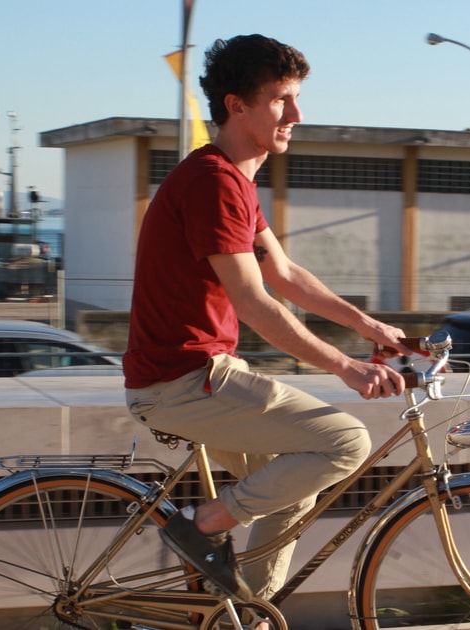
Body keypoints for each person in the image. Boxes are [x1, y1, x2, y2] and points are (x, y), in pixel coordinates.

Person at [122, 34, 409, 605]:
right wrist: (346, 368)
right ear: (237, 105)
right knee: (346, 441)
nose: (296, 115)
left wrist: (368, 327)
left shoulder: (232, 180)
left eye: (295, 98)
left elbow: (284, 273)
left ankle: (244, 616)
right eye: (282, 99)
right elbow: (254, 302)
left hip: (193, 376)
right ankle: (202, 525)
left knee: (293, 485)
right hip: (183, 379)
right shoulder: (213, 182)